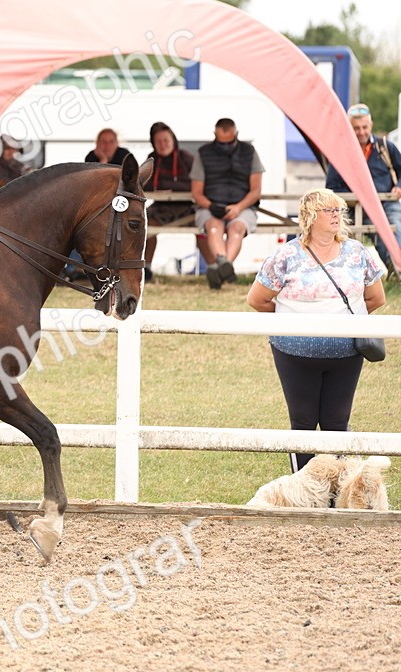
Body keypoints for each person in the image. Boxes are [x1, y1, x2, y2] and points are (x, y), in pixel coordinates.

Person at [246, 188, 386, 473]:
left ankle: (340, 489)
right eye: (329, 210)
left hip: (346, 353)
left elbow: (376, 298)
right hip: (294, 353)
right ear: (311, 216)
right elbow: (257, 299)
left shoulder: (358, 253)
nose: (337, 215)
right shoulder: (285, 255)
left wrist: (339, 321)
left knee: (337, 421)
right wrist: (295, 319)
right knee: (303, 421)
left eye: (338, 210)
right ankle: (304, 488)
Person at [324, 103, 401, 275]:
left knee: (394, 225)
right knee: (343, 233)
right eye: (356, 128)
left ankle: (397, 269)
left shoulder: (385, 147)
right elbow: (331, 187)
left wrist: (399, 186)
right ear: (349, 128)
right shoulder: (340, 152)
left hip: (386, 202)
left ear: (371, 125)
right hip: (354, 206)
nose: (361, 132)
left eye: (364, 127)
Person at [191, 117, 264, 289]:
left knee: (237, 228)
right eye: (221, 143)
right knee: (213, 226)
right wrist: (210, 205)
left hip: (243, 206)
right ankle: (225, 266)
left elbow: (255, 191)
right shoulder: (203, 153)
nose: (224, 147)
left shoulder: (250, 152)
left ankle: (221, 267)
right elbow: (196, 192)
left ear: (236, 135)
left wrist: (239, 207)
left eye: (228, 143)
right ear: (214, 135)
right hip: (210, 205)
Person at [143, 122, 196, 282]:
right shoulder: (151, 160)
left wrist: (171, 189)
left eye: (166, 140)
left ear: (173, 139)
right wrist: (160, 190)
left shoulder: (186, 158)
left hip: (186, 208)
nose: (163, 144)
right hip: (161, 207)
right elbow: (143, 182)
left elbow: (198, 184)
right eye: (158, 141)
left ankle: (217, 269)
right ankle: (145, 268)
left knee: (204, 226)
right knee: (144, 226)